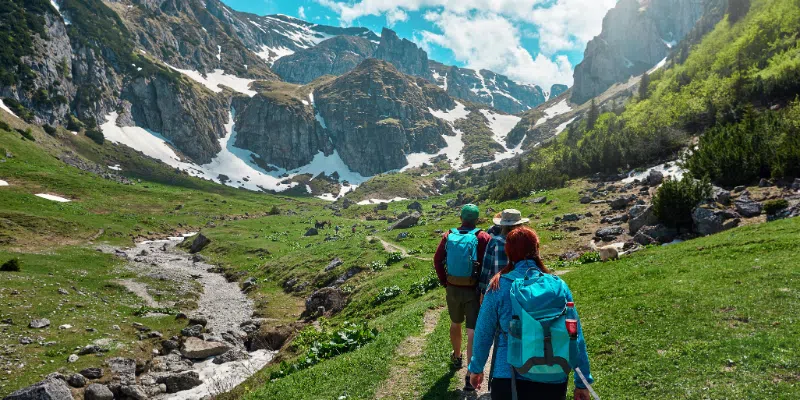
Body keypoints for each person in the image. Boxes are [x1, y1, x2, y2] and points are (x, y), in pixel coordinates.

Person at [468, 226, 594, 400]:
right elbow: (575, 336)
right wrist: (582, 383)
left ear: (509, 253)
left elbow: (483, 332)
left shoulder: (499, 286)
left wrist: (476, 368)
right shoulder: (559, 286)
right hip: (553, 376)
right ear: (537, 250)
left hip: (508, 376)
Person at [433, 204, 491, 391]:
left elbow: (437, 260)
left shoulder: (448, 235)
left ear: (461, 218)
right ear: (477, 219)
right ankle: (469, 374)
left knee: (455, 322)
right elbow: (486, 265)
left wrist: (445, 281)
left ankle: (456, 356)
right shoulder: (482, 237)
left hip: (453, 287)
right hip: (473, 290)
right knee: (472, 331)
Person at [479, 209, 529, 301]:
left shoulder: (496, 241)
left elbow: (486, 268)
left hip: (498, 288)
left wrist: (483, 290)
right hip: (523, 289)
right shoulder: (527, 241)